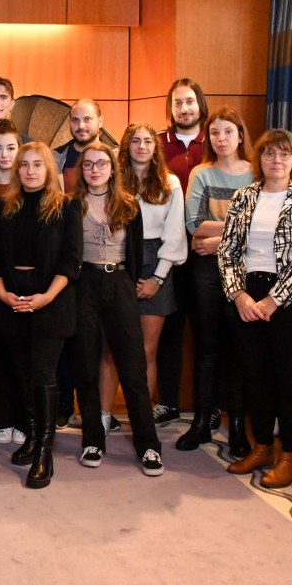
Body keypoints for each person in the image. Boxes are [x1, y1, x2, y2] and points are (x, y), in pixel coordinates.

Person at [218, 129, 292, 489]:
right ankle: (262, 447)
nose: (276, 161)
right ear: (259, 159)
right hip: (250, 296)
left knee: (291, 380)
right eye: (269, 154)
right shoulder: (244, 197)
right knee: (257, 378)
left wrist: (273, 300)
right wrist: (239, 295)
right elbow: (228, 251)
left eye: (284, 155)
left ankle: (289, 455)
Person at [0, 142, 80, 488]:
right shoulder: (1, 207)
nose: (29, 171)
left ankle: (45, 451)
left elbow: (71, 261)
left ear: (49, 170)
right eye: (24, 165)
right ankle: (33, 436)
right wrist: (1, 293)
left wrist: (44, 298)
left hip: (50, 302)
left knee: (43, 374)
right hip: (10, 301)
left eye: (37, 165)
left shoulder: (67, 207)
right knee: (23, 373)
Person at [70, 141, 164, 476]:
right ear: (81, 171)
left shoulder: (129, 205)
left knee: (133, 367)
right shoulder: (72, 206)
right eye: (88, 164)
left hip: (120, 283)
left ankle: (149, 445)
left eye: (101, 164)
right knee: (87, 366)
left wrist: (133, 282)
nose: (94, 170)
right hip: (85, 288)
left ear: (112, 169)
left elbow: (137, 253)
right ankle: (93, 440)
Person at [176, 106, 254, 457]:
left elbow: (261, 224)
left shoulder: (256, 173)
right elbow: (193, 224)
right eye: (216, 133)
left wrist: (221, 237)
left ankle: (236, 424)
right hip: (205, 272)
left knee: (239, 350)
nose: (222, 138)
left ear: (240, 135)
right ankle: (202, 422)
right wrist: (238, 229)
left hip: (246, 270)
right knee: (206, 349)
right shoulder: (201, 174)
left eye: (228, 131)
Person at [99, 124, 186, 424]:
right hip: (119, 258)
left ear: (156, 147)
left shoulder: (170, 183)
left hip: (156, 261)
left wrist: (157, 279)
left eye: (148, 140)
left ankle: (141, 418)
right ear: (125, 146)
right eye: (134, 140)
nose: (141, 146)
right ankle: (103, 416)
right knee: (110, 350)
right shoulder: (113, 180)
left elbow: (175, 238)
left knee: (146, 351)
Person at [154, 78, 209, 423]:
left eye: (189, 101)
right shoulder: (158, 144)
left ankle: (209, 405)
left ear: (200, 104)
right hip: (167, 255)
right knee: (168, 332)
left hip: (206, 253)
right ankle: (169, 401)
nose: (184, 108)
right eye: (178, 103)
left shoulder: (216, 140)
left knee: (207, 333)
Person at [0, 120, 32, 436]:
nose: (4, 154)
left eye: (11, 147)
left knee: (24, 356)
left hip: (26, 286)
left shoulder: (30, 188)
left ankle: (23, 419)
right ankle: (1, 419)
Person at [53, 98, 109, 194]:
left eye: (87, 119)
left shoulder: (115, 156)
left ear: (100, 122)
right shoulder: (55, 158)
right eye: (75, 120)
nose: (81, 126)